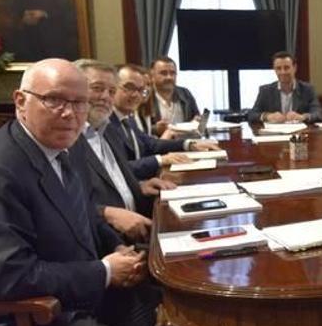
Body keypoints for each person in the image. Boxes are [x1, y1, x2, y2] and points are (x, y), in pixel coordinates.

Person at [0, 58, 158, 326]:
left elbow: (87, 215)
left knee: (162, 309)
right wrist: (103, 272)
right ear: (21, 101)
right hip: (31, 323)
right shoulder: (3, 168)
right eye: (54, 100)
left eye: (79, 102)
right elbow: (10, 275)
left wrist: (118, 250)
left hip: (79, 293)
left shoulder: (67, 147)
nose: (70, 114)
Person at [73, 60, 175, 236]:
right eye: (97, 88)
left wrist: (138, 186)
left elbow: (116, 178)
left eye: (111, 91)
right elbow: (69, 204)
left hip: (137, 228)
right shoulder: (67, 139)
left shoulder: (105, 129)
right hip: (107, 241)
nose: (105, 97)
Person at [111, 63, 219, 179]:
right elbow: (116, 169)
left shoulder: (127, 118)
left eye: (141, 90)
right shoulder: (106, 123)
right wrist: (160, 159)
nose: (136, 95)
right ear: (112, 88)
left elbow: (150, 143)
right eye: (129, 88)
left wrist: (188, 144)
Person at [247, 51, 322, 123]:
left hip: (300, 134)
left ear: (294, 68)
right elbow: (252, 115)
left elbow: (319, 114)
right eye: (278, 68)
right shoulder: (265, 91)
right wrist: (268, 116)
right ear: (274, 70)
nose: (283, 72)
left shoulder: (307, 89)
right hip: (274, 135)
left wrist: (302, 117)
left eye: (286, 68)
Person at [149, 56, 199, 136]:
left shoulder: (185, 93)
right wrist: (155, 129)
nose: (169, 77)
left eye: (172, 73)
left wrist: (197, 121)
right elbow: (138, 129)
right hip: (158, 145)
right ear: (152, 76)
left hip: (186, 143)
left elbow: (196, 117)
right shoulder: (145, 97)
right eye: (163, 73)